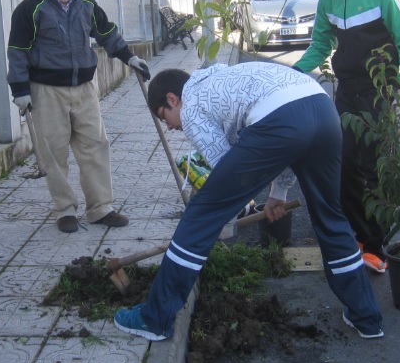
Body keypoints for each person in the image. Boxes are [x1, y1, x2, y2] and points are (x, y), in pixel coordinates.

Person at [114, 62, 384, 341]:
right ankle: (367, 318)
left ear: (173, 99)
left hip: (282, 118)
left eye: (164, 116)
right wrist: (278, 195)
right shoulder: (224, 77)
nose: (170, 127)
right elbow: (289, 142)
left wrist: (222, 215)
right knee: (331, 217)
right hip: (322, 108)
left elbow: (224, 172)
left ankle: (154, 318)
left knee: (199, 216)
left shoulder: (192, 105)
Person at [291, 0, 400, 273]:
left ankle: (376, 247)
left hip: (380, 94)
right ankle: (359, 240)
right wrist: (291, 74)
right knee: (345, 167)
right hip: (347, 94)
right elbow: (320, 46)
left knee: (375, 170)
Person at [7, 0, 150, 234]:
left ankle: (100, 208)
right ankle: (64, 210)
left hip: (84, 88)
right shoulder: (31, 8)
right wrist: (20, 89)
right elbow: (18, 51)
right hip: (47, 91)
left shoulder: (86, 3)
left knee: (95, 147)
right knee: (54, 153)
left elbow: (105, 32)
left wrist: (129, 57)